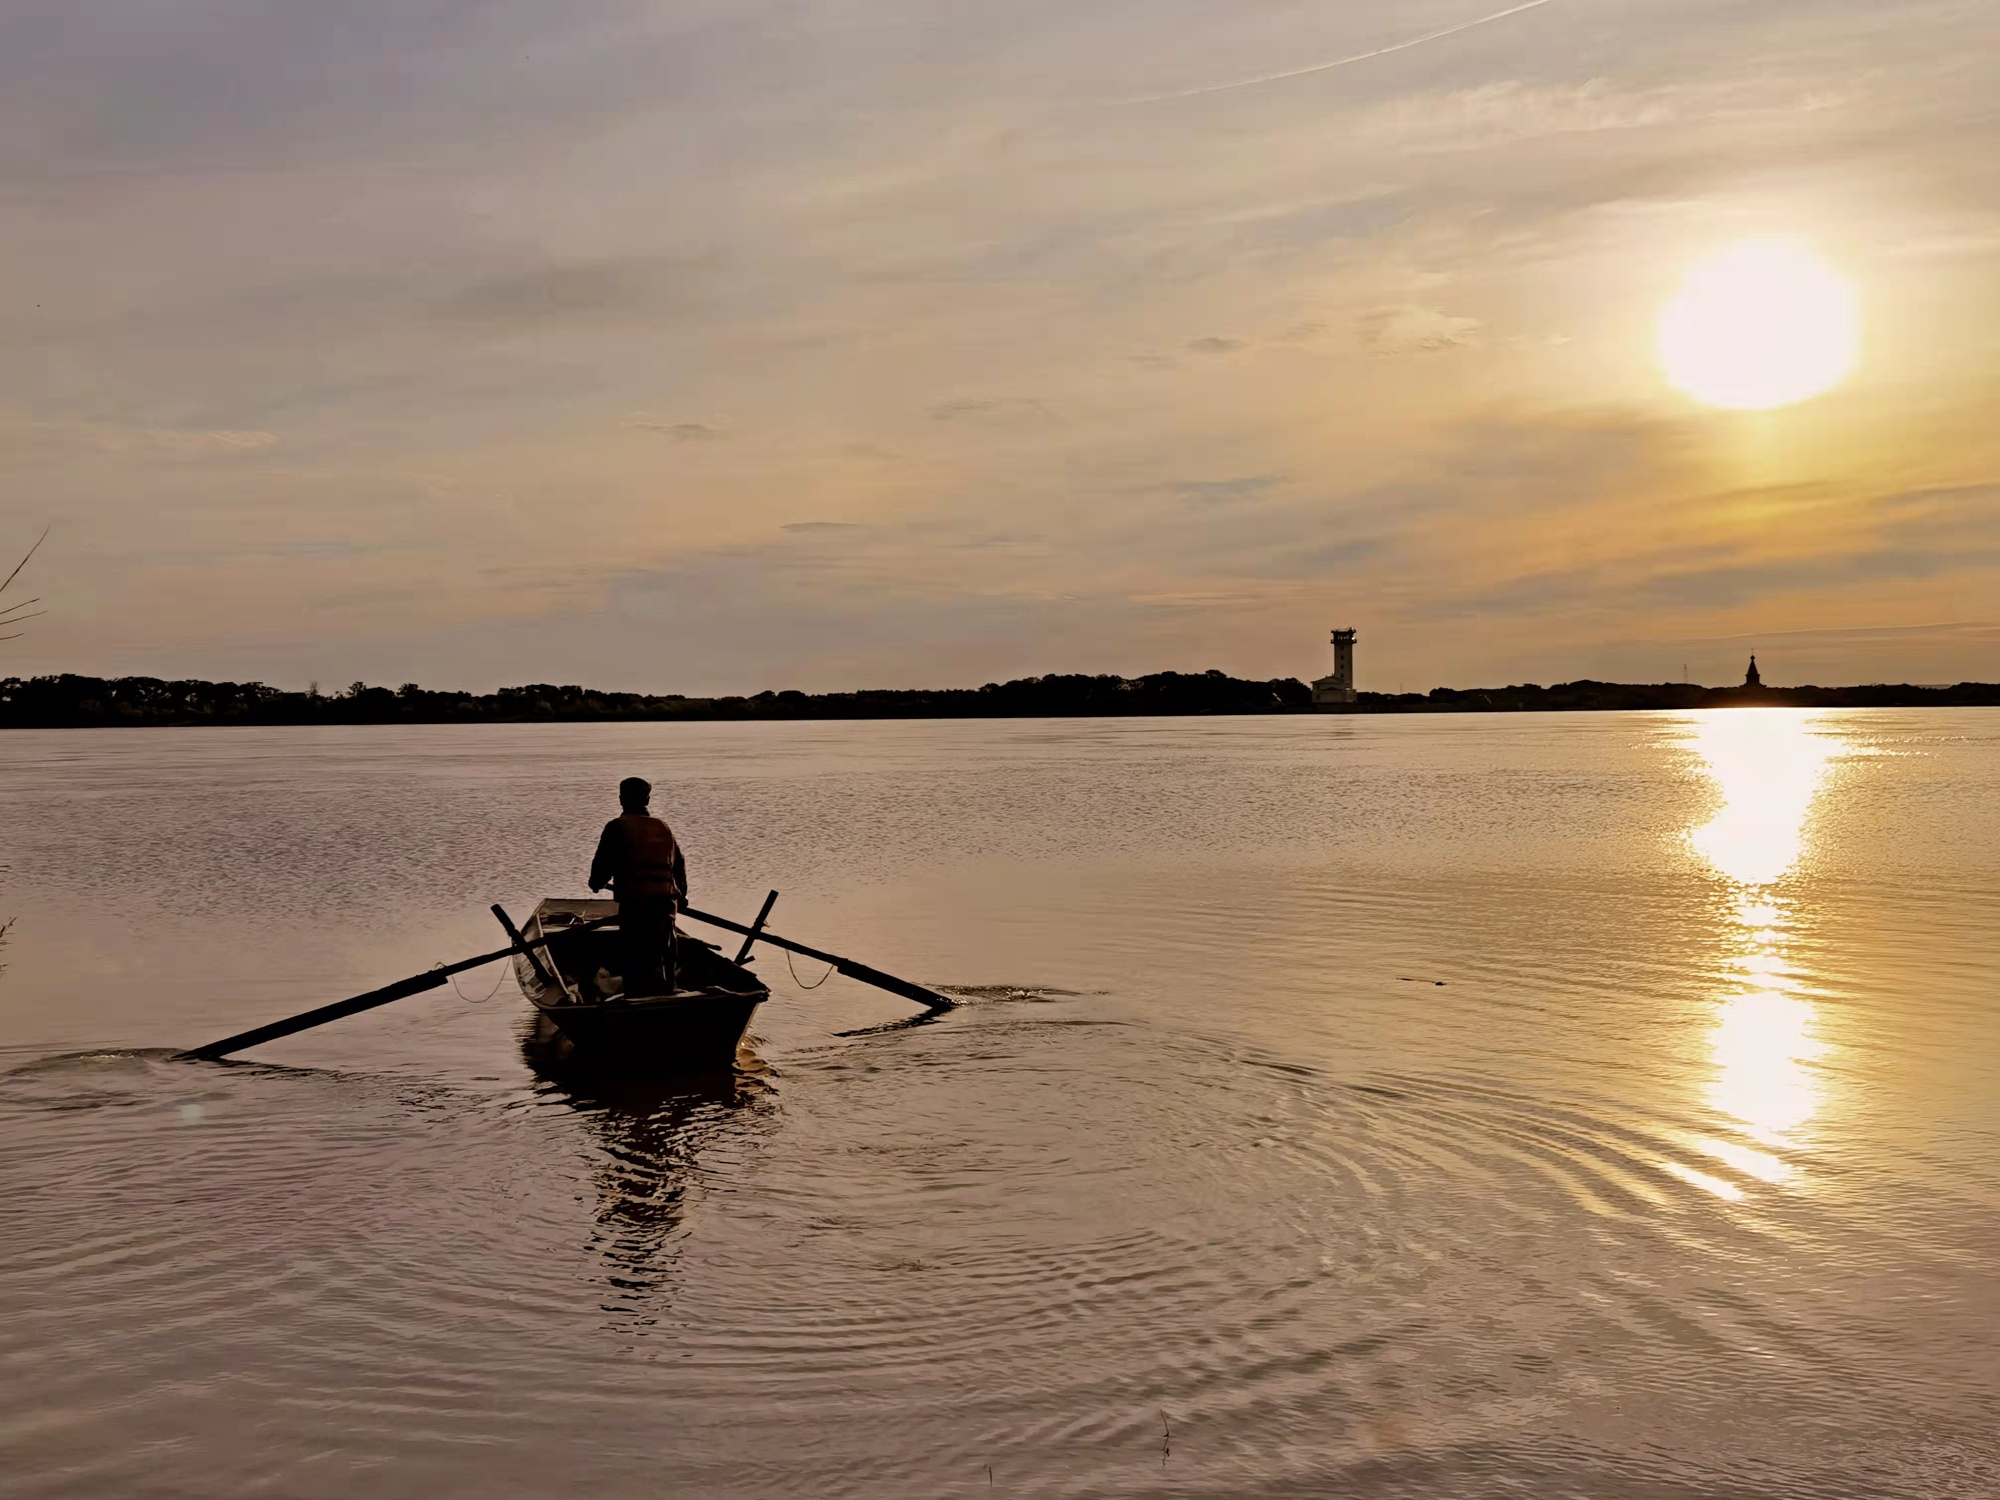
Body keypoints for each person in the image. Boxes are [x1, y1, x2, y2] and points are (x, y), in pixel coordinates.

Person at [588, 777, 687, 997]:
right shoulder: (663, 827)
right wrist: (683, 896)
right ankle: (668, 996)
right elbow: (679, 866)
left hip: (636, 906)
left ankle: (637, 1002)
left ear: (621, 799)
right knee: (665, 957)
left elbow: (601, 869)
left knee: (636, 959)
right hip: (666, 906)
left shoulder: (617, 827)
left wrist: (597, 883)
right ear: (647, 800)